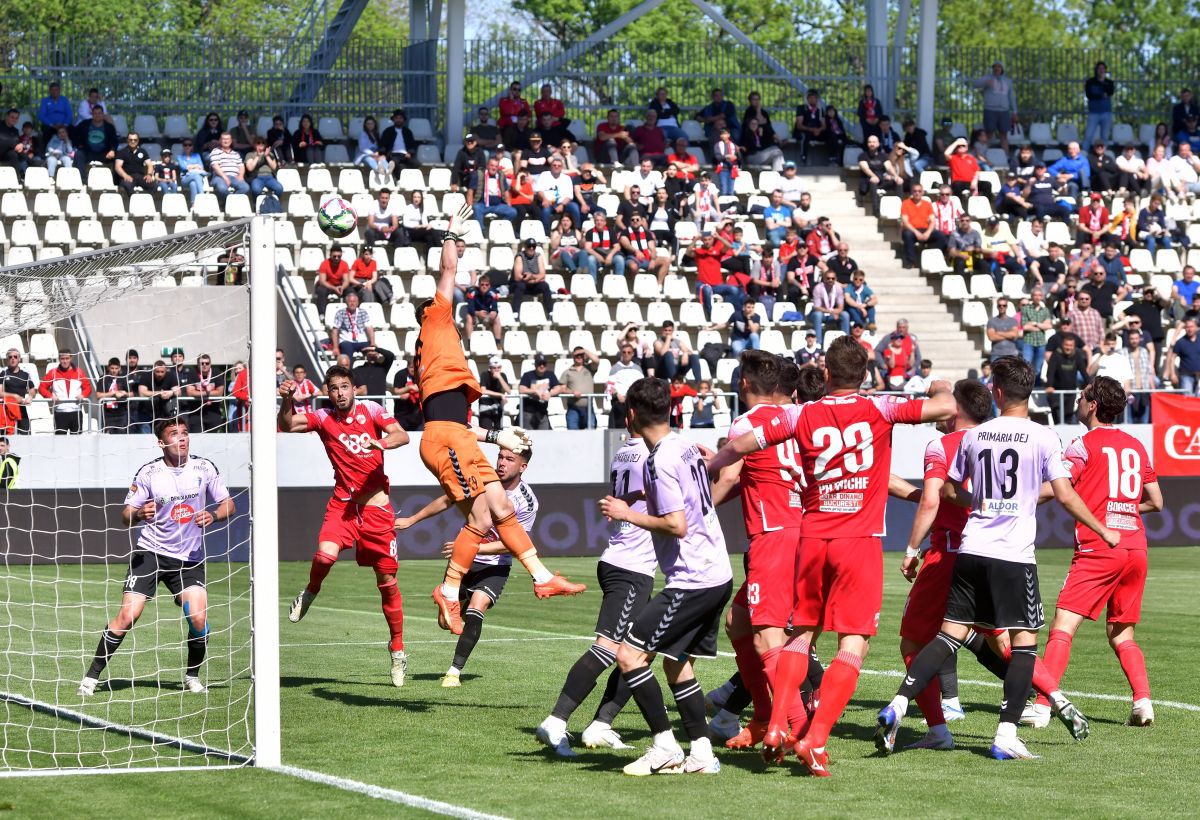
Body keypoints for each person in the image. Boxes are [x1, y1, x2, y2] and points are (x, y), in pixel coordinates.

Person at [707, 337, 955, 774]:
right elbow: (945, 407)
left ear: (824, 373)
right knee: (852, 643)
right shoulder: (881, 408)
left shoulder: (800, 412)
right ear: (864, 374)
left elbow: (744, 445)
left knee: (801, 635)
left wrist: (710, 464)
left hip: (812, 537)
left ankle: (775, 724)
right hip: (857, 540)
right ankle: (815, 740)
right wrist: (940, 383)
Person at [875, 356, 1117, 759]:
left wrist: (981, 502)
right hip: (1013, 556)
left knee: (947, 636)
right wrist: (1102, 528)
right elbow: (1064, 493)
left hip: (969, 550)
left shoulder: (974, 437)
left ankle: (899, 703)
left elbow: (947, 491)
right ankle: (1006, 734)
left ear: (998, 392)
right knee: (1022, 645)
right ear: (1030, 392)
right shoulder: (1044, 437)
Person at [417, 204, 584, 633]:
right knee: (481, 517)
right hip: (446, 436)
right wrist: (452, 233)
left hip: (459, 433)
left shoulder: (440, 341)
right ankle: (450, 592)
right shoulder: (436, 320)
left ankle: (543, 578)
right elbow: (448, 270)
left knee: (500, 508)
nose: (450, 309)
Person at [596, 377, 733, 776]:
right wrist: (639, 501)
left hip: (692, 578)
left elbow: (676, 525)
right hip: (715, 571)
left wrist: (627, 514)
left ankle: (664, 745)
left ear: (633, 415)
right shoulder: (685, 445)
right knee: (677, 664)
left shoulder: (659, 459)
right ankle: (703, 754)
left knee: (629, 655)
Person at [1024, 377, 1163, 729]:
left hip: (1101, 547)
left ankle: (1041, 706)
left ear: (1093, 405)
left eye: (1083, 395)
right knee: (1121, 634)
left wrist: (1017, 500)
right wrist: (1120, 510)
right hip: (1136, 546)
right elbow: (1156, 501)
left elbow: (1058, 488)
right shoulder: (1135, 445)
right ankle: (1143, 703)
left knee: (1063, 626)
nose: (1078, 399)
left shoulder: (1082, 445)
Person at [77, 419, 235, 697]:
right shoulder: (150, 473)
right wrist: (139, 514)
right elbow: (125, 516)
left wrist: (214, 514)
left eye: (185, 433)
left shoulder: (204, 467)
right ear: (161, 443)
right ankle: (91, 678)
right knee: (128, 615)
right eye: (174, 434)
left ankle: (192, 676)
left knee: (198, 618)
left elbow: (228, 504)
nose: (182, 439)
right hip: (150, 553)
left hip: (189, 558)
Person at [704, 353, 812, 748]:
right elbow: (750, 476)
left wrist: (700, 508)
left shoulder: (746, 422)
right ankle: (765, 715)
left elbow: (731, 473)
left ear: (745, 384)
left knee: (768, 637)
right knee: (739, 623)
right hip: (803, 531)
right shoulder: (797, 418)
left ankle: (798, 730)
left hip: (773, 535)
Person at [278, 365, 411, 685]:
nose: (340, 393)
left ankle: (397, 650)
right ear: (328, 392)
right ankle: (310, 593)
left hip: (377, 511)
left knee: (387, 583)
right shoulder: (323, 418)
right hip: (344, 506)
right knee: (324, 556)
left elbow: (402, 435)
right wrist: (287, 401)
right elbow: (288, 424)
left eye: (345, 387)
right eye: (334, 388)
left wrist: (380, 444)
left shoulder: (373, 410)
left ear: (354, 389)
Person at [538, 423, 657, 756]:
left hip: (628, 562)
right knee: (608, 649)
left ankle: (602, 724)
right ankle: (557, 721)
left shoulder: (624, 451)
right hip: (630, 566)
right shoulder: (649, 455)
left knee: (643, 652)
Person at [892, 379, 995, 748]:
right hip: (998, 552)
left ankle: (938, 728)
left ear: (955, 410)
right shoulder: (1000, 441)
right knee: (1008, 640)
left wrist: (910, 548)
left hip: (950, 553)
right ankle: (1048, 701)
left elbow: (933, 499)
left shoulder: (943, 444)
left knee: (914, 642)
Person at [399, 443, 538, 689]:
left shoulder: (527, 502)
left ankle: (454, 672)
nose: (502, 463)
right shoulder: (482, 480)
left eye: (509, 459)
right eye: (501, 457)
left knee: (476, 610)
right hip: (463, 562)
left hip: (494, 567)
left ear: (523, 467)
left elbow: (516, 544)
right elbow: (447, 499)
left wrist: (473, 547)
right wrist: (412, 519)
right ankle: (448, 602)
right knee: (445, 623)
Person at [39, 349, 92, 434]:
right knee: (60, 442)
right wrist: (50, 396)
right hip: (60, 413)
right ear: (59, 359)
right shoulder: (53, 373)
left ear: (71, 358)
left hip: (76, 412)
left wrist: (83, 395)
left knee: (77, 443)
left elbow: (88, 388)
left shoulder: (79, 372)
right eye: (62, 359)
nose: (65, 361)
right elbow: (41, 387)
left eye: (67, 358)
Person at [899, 184, 946, 268]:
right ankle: (911, 261)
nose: (917, 193)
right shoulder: (906, 203)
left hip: (925, 230)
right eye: (915, 191)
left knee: (941, 236)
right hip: (912, 230)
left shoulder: (927, 204)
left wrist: (927, 233)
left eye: (919, 191)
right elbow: (905, 222)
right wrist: (916, 233)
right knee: (907, 235)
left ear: (923, 192)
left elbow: (932, 221)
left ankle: (934, 259)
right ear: (911, 192)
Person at [517, 355, 563, 430]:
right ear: (535, 364)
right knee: (528, 438)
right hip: (528, 412)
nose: (541, 366)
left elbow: (558, 388)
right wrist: (535, 391)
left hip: (542, 412)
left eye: (544, 364)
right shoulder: (528, 375)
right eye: (539, 364)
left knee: (544, 437)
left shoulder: (550, 375)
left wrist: (550, 394)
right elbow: (521, 389)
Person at [510, 238, 552, 314]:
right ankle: (515, 313)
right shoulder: (520, 257)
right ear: (525, 247)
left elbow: (542, 275)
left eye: (533, 246)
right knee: (520, 286)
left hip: (532, 283)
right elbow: (517, 277)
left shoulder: (538, 256)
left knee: (545, 286)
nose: (531, 248)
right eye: (529, 246)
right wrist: (534, 278)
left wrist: (531, 277)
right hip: (520, 284)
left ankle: (550, 312)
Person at [186, 354, 227, 433]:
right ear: (198, 364)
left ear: (210, 364)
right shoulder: (192, 373)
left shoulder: (216, 372)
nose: (204, 365)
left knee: (212, 440)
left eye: (207, 363)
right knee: (197, 438)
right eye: (202, 363)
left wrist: (199, 393)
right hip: (196, 413)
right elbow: (190, 392)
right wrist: (207, 392)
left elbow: (220, 392)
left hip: (213, 412)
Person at [560, 347, 598, 429]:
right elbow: (562, 389)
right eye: (577, 355)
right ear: (573, 356)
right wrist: (572, 392)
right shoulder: (567, 372)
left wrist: (584, 350)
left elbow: (596, 361)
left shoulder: (589, 369)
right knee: (573, 434)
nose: (579, 357)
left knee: (591, 433)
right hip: (573, 408)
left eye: (581, 355)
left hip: (589, 408)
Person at [331, 291, 375, 358]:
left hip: (362, 340)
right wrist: (335, 347)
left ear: (357, 303)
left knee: (372, 355)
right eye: (350, 301)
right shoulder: (340, 313)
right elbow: (335, 330)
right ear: (346, 303)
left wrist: (372, 343)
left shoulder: (363, 312)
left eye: (354, 301)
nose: (352, 303)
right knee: (347, 355)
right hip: (346, 341)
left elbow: (369, 328)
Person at [1, 350, 35, 434]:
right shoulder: (3, 373)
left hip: (21, 407)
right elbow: (0, 392)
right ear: (7, 359)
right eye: (10, 357)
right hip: (7, 409)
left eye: (15, 357)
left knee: (26, 435)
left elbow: (32, 390)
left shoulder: (25, 374)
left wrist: (30, 397)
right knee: (7, 437)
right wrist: (14, 396)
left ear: (19, 359)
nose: (13, 359)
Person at [208, 132, 249, 202]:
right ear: (220, 140)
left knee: (245, 187)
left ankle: (229, 203)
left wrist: (241, 176)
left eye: (227, 139)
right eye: (223, 139)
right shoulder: (215, 151)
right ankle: (230, 204)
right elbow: (215, 166)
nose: (226, 141)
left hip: (234, 177)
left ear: (231, 141)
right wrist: (225, 177)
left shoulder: (236, 154)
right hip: (219, 177)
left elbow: (241, 166)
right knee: (222, 188)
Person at [1165, 317, 1200, 395]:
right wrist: (1173, 374)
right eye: (1187, 327)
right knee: (1188, 398)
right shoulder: (1181, 342)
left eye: (1191, 327)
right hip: (1186, 375)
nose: (1189, 329)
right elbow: (1172, 358)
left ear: (1196, 327)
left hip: (1198, 375)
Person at [314, 244, 350, 317]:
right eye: (334, 256)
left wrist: (342, 287)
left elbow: (346, 281)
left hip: (339, 285)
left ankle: (351, 313)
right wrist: (334, 288)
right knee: (321, 290)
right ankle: (322, 314)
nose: (336, 258)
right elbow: (322, 281)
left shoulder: (344, 264)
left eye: (339, 256)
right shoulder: (324, 264)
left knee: (351, 291)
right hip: (327, 285)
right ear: (330, 255)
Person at [1084, 61, 1115, 146]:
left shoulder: (1109, 82)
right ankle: (1084, 153)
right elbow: (1089, 94)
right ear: (1096, 70)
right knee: (1088, 136)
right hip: (1093, 112)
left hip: (1106, 113)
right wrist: (1101, 94)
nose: (1101, 70)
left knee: (1105, 136)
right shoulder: (1090, 82)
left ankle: (1103, 155)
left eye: (1103, 69)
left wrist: (1098, 92)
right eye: (1099, 68)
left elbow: (1110, 92)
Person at [245, 136, 284, 203]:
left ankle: (273, 204)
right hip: (257, 177)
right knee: (256, 189)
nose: (261, 144)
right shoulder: (250, 154)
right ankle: (256, 204)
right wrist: (257, 156)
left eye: (263, 143)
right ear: (254, 144)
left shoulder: (270, 154)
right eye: (258, 143)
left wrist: (267, 156)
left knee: (279, 188)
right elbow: (250, 168)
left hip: (270, 177)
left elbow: (274, 167)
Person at [390, 358, 423, 431]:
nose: (413, 369)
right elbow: (396, 391)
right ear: (407, 366)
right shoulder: (400, 374)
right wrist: (410, 388)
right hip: (402, 413)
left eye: (416, 367)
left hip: (417, 413)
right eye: (411, 367)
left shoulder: (421, 374)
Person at [380, 109, 417, 174]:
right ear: (393, 119)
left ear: (403, 119)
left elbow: (412, 145)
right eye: (396, 118)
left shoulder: (408, 132)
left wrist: (410, 153)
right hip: (392, 154)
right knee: (396, 162)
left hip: (405, 155)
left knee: (416, 163)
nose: (398, 120)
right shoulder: (388, 131)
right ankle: (397, 178)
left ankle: (396, 176)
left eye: (400, 118)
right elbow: (383, 144)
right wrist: (383, 154)